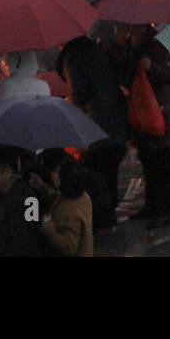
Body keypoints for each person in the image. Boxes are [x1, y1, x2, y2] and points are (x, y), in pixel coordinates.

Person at [56, 35, 127, 229]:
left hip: (97, 125)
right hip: (117, 120)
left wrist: (66, 102)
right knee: (110, 173)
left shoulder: (72, 57)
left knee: (95, 175)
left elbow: (80, 93)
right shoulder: (97, 51)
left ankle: (100, 222)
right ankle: (109, 216)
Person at [122, 23, 170, 229]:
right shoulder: (132, 43)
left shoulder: (159, 43)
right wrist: (131, 48)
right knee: (149, 165)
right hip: (141, 112)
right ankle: (151, 206)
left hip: (159, 115)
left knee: (162, 166)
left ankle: (164, 210)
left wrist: (151, 66)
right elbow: (124, 74)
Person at [29, 156, 95, 256]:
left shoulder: (69, 210)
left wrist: (47, 226)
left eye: (57, 173)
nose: (54, 174)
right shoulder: (82, 195)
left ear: (64, 178)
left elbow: (69, 246)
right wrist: (41, 186)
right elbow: (58, 197)